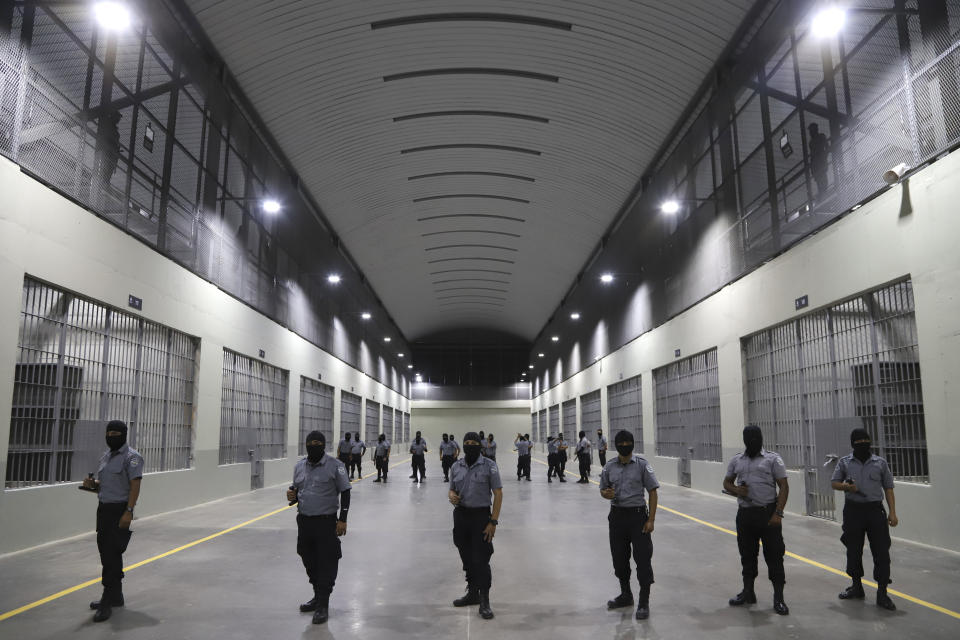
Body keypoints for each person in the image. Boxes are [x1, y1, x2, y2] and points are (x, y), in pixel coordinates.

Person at [723, 425, 790, 615]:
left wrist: (778, 513)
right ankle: (748, 592)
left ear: (761, 438)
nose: (753, 441)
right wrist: (736, 490)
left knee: (775, 557)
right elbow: (727, 482)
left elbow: (783, 486)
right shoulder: (737, 459)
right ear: (744, 440)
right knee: (747, 555)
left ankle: (779, 598)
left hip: (768, 514)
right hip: (745, 515)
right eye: (749, 438)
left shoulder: (772, 458)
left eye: (755, 437)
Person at [81, 420, 143, 623]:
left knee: (111, 556)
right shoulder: (106, 457)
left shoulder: (132, 458)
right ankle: (116, 596)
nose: (111, 436)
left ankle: (107, 600)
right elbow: (107, 485)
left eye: (115, 432)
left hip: (119, 510)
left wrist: (129, 512)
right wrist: (93, 484)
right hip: (104, 510)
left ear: (124, 434)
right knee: (107, 553)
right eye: (109, 432)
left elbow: (134, 487)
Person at [831, 428, 898, 610]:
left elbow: (889, 488)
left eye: (865, 441)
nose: (863, 444)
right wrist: (846, 487)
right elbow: (834, 482)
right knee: (853, 550)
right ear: (853, 444)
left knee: (881, 552)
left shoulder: (880, 463)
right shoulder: (845, 462)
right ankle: (856, 586)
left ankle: (882, 593)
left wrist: (892, 512)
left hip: (875, 511)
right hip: (853, 511)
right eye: (859, 442)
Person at [287, 431, 351, 625]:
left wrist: (343, 519)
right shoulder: (299, 466)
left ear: (323, 445)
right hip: (305, 521)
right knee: (308, 558)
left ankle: (323, 603)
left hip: (326, 522)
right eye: (309, 442)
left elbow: (346, 492)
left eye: (317, 442)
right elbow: (298, 490)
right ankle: (317, 596)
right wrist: (292, 496)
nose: (312, 445)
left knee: (326, 561)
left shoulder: (335, 466)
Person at [600, 430, 659, 620]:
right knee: (619, 559)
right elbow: (603, 489)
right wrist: (605, 494)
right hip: (617, 517)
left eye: (628, 442)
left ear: (633, 444)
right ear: (616, 445)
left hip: (638, 517)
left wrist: (651, 520)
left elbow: (652, 492)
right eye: (622, 442)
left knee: (642, 560)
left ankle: (644, 601)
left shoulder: (642, 465)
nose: (625, 445)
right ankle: (626, 595)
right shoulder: (609, 467)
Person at [449, 431, 503, 620]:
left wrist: (493, 521)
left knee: (481, 559)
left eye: (473, 442)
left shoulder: (489, 466)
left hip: (481, 517)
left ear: (479, 445)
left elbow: (498, 494)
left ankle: (485, 600)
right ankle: (472, 593)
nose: (469, 445)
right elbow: (451, 490)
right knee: (467, 558)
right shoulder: (456, 466)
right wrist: (451, 496)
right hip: (461, 516)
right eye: (467, 442)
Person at [808, 122, 830, 199]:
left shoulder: (821, 137)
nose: (810, 133)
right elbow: (812, 155)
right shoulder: (811, 142)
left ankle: (824, 194)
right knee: (819, 180)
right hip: (816, 164)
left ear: (815, 130)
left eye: (811, 130)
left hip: (820, 162)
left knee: (822, 179)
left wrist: (824, 156)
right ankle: (822, 194)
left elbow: (827, 147)